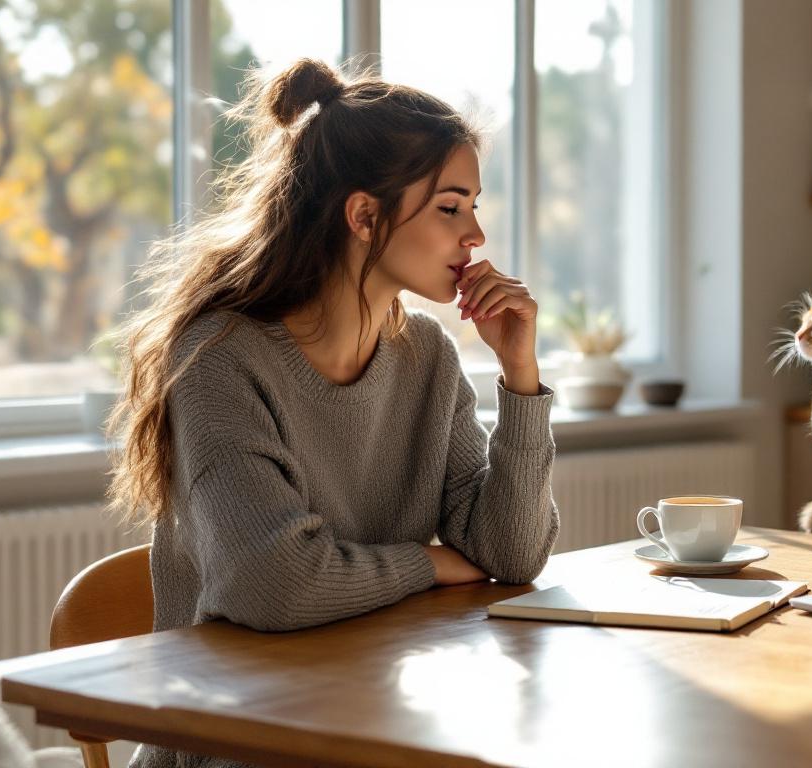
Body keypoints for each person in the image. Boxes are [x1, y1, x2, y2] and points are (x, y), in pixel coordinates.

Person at [107, 59, 558, 768]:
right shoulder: (220, 358)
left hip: (369, 729)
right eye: (450, 206)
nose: (475, 235)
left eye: (474, 206)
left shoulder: (428, 357)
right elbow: (273, 584)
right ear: (363, 215)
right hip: (236, 746)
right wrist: (428, 564)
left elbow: (509, 553)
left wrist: (521, 378)